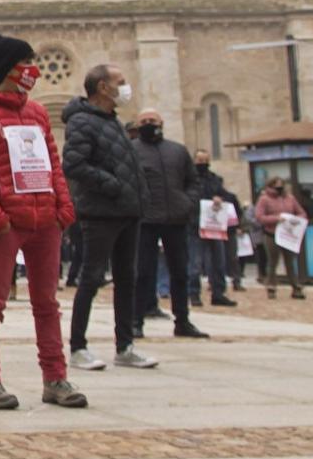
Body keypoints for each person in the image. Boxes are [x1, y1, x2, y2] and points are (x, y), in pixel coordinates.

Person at [0, 32, 85, 410]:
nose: (33, 70)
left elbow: (52, 163)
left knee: (47, 303)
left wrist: (64, 209)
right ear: (6, 70)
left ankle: (55, 378)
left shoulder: (38, 112)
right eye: (25, 63)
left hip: (45, 220)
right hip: (5, 223)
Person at [59, 64, 156, 372]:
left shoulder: (111, 120)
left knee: (128, 278)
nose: (125, 87)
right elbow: (74, 164)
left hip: (127, 209)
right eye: (120, 82)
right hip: (101, 211)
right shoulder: (82, 122)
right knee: (91, 276)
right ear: (103, 87)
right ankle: (78, 346)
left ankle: (125, 345)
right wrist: (111, 185)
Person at [131, 110, 210, 339]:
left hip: (175, 218)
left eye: (152, 121)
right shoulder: (133, 150)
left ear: (161, 123)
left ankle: (182, 320)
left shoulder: (177, 150)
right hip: (146, 219)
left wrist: (188, 203)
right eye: (144, 121)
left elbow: (192, 181)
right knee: (143, 272)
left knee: (180, 272)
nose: (149, 124)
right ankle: (137, 320)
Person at [190, 149, 241, 306]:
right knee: (195, 263)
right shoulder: (189, 178)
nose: (203, 163)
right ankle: (194, 294)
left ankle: (218, 293)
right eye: (200, 160)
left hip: (214, 226)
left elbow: (227, 196)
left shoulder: (215, 179)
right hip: (195, 226)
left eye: (205, 160)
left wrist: (221, 198)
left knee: (219, 261)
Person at [253, 176, 309, 300]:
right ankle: (271, 287)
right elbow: (259, 217)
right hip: (271, 234)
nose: (279, 187)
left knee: (290, 262)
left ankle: (296, 287)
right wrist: (276, 218)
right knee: (272, 262)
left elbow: (301, 212)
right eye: (276, 184)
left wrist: (296, 219)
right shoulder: (264, 199)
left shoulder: (290, 198)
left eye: (281, 184)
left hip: (288, 234)